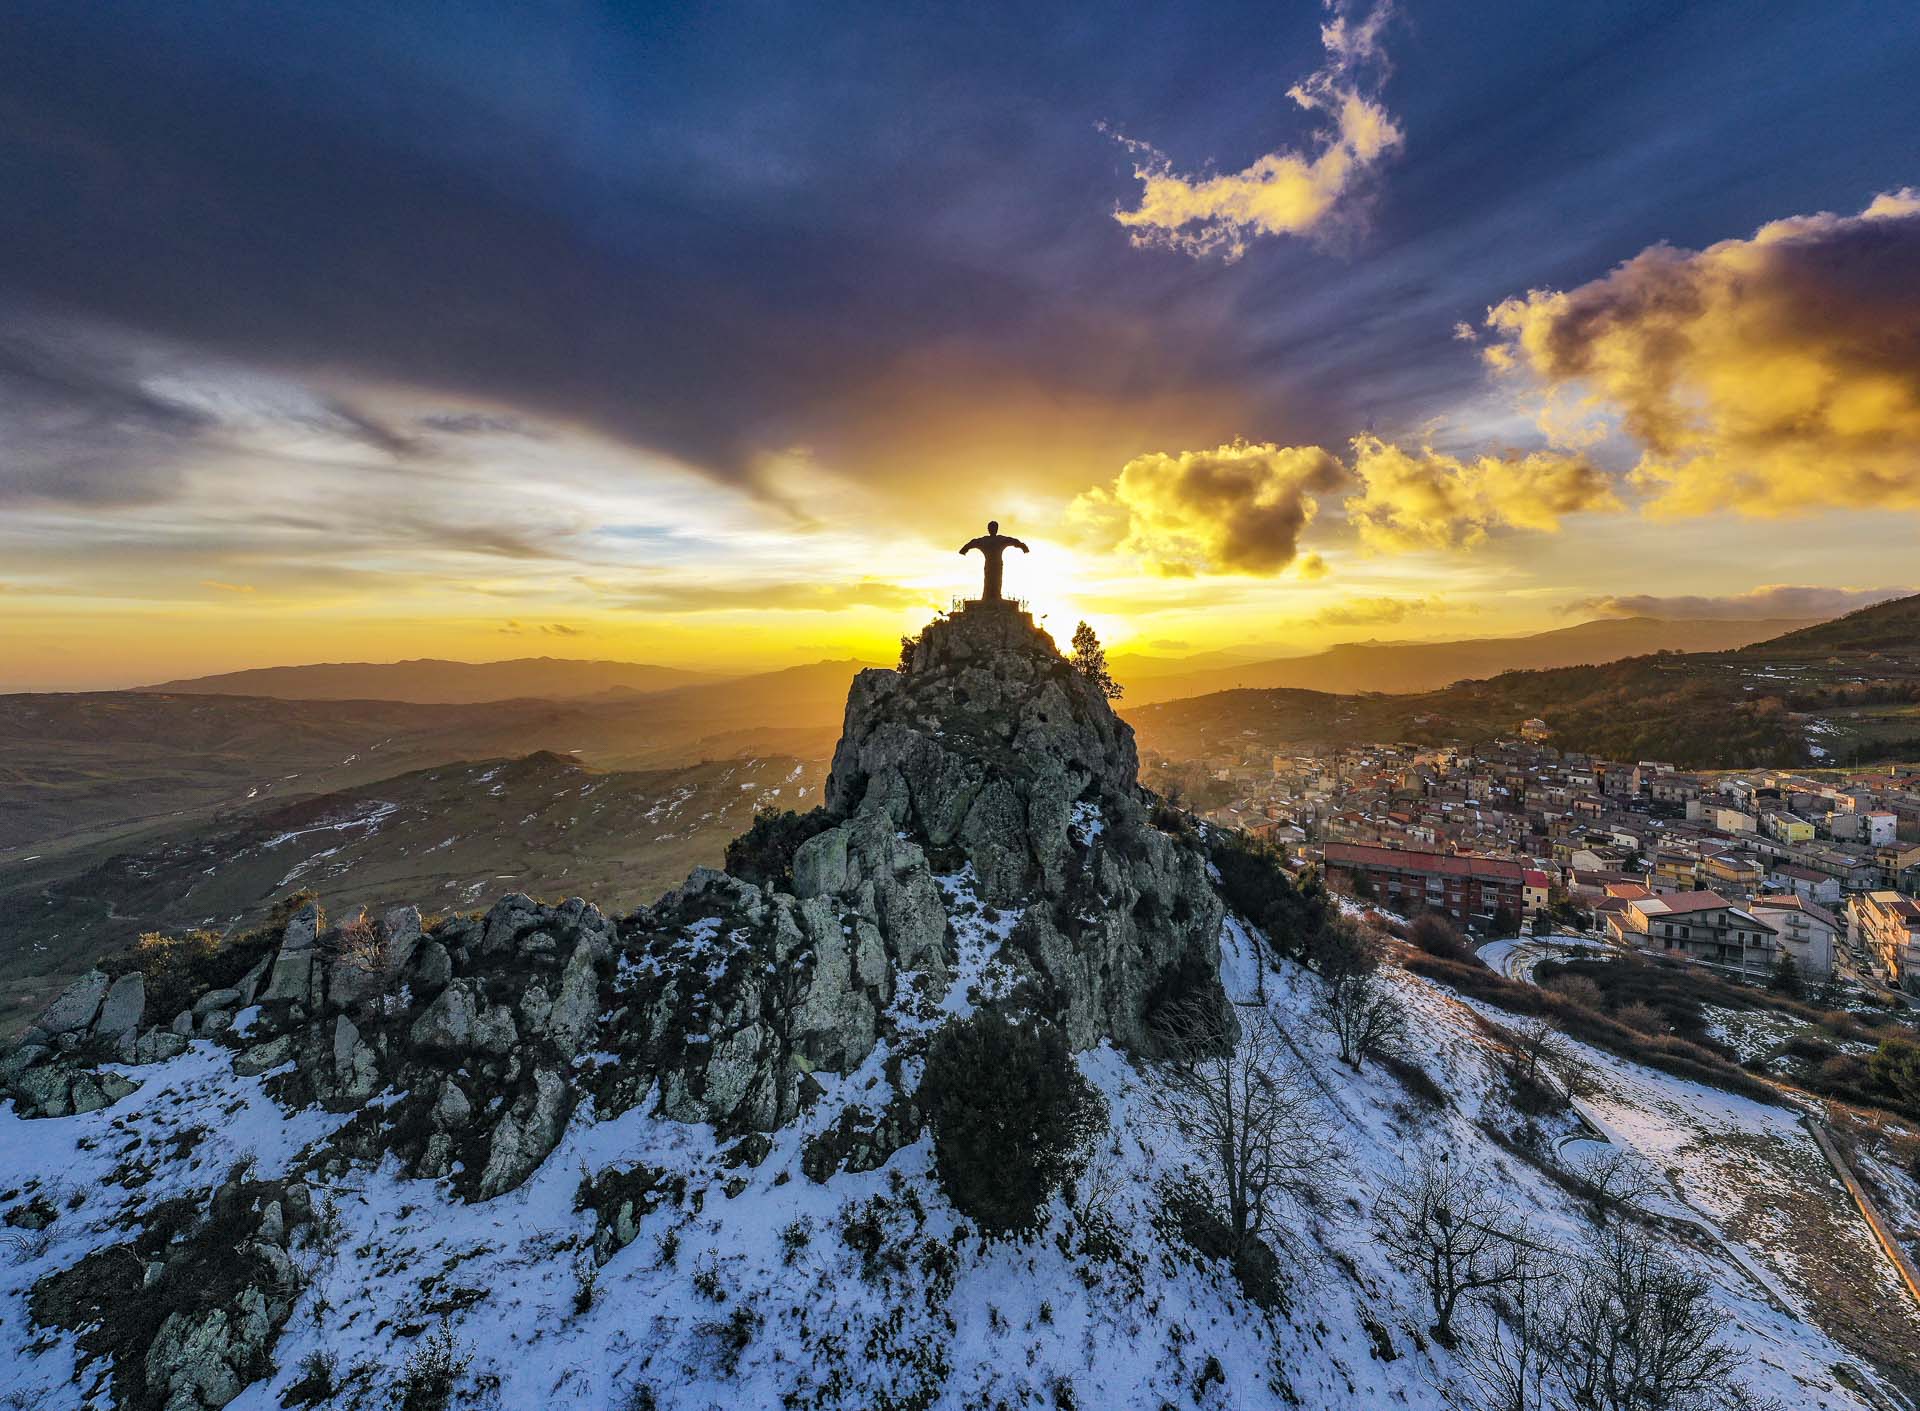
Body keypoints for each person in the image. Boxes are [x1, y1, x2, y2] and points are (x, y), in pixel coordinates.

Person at [958, 520, 1029, 601]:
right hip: (991, 564)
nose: (992, 529)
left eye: (993, 527)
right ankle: (989, 596)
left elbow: (1012, 541)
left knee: (996, 580)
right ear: (988, 529)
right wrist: (965, 549)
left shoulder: (998, 540)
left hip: (996, 564)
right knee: (989, 580)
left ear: (996, 529)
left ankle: (995, 596)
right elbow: (973, 542)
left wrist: (1023, 547)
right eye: (991, 528)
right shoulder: (987, 540)